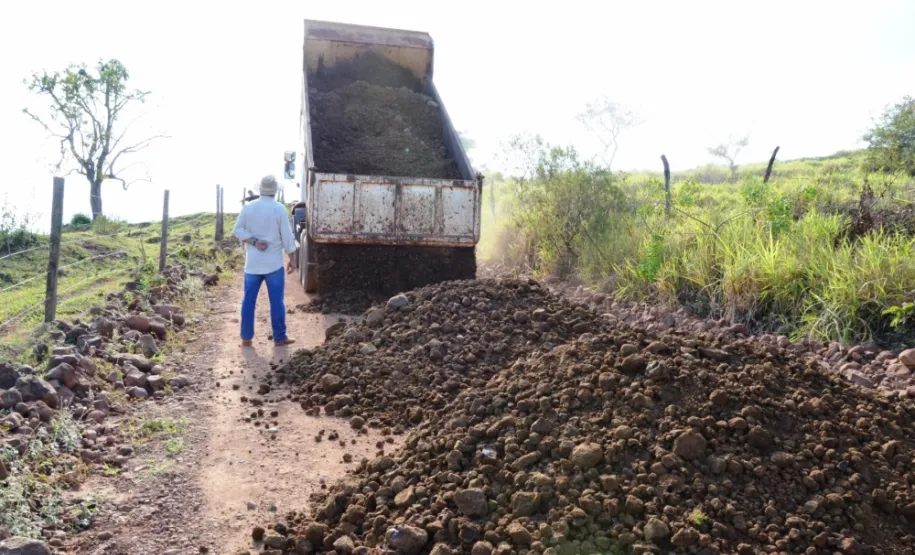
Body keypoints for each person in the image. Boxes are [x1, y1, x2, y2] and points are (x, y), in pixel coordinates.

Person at [232, 175, 297, 347]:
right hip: (274, 265)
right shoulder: (279, 209)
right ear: (275, 191)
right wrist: (291, 258)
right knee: (277, 302)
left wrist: (253, 241)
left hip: (252, 265)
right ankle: (280, 337)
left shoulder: (248, 208)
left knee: (248, 301)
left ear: (260, 189)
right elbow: (287, 236)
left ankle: (246, 338)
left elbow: (237, 230)